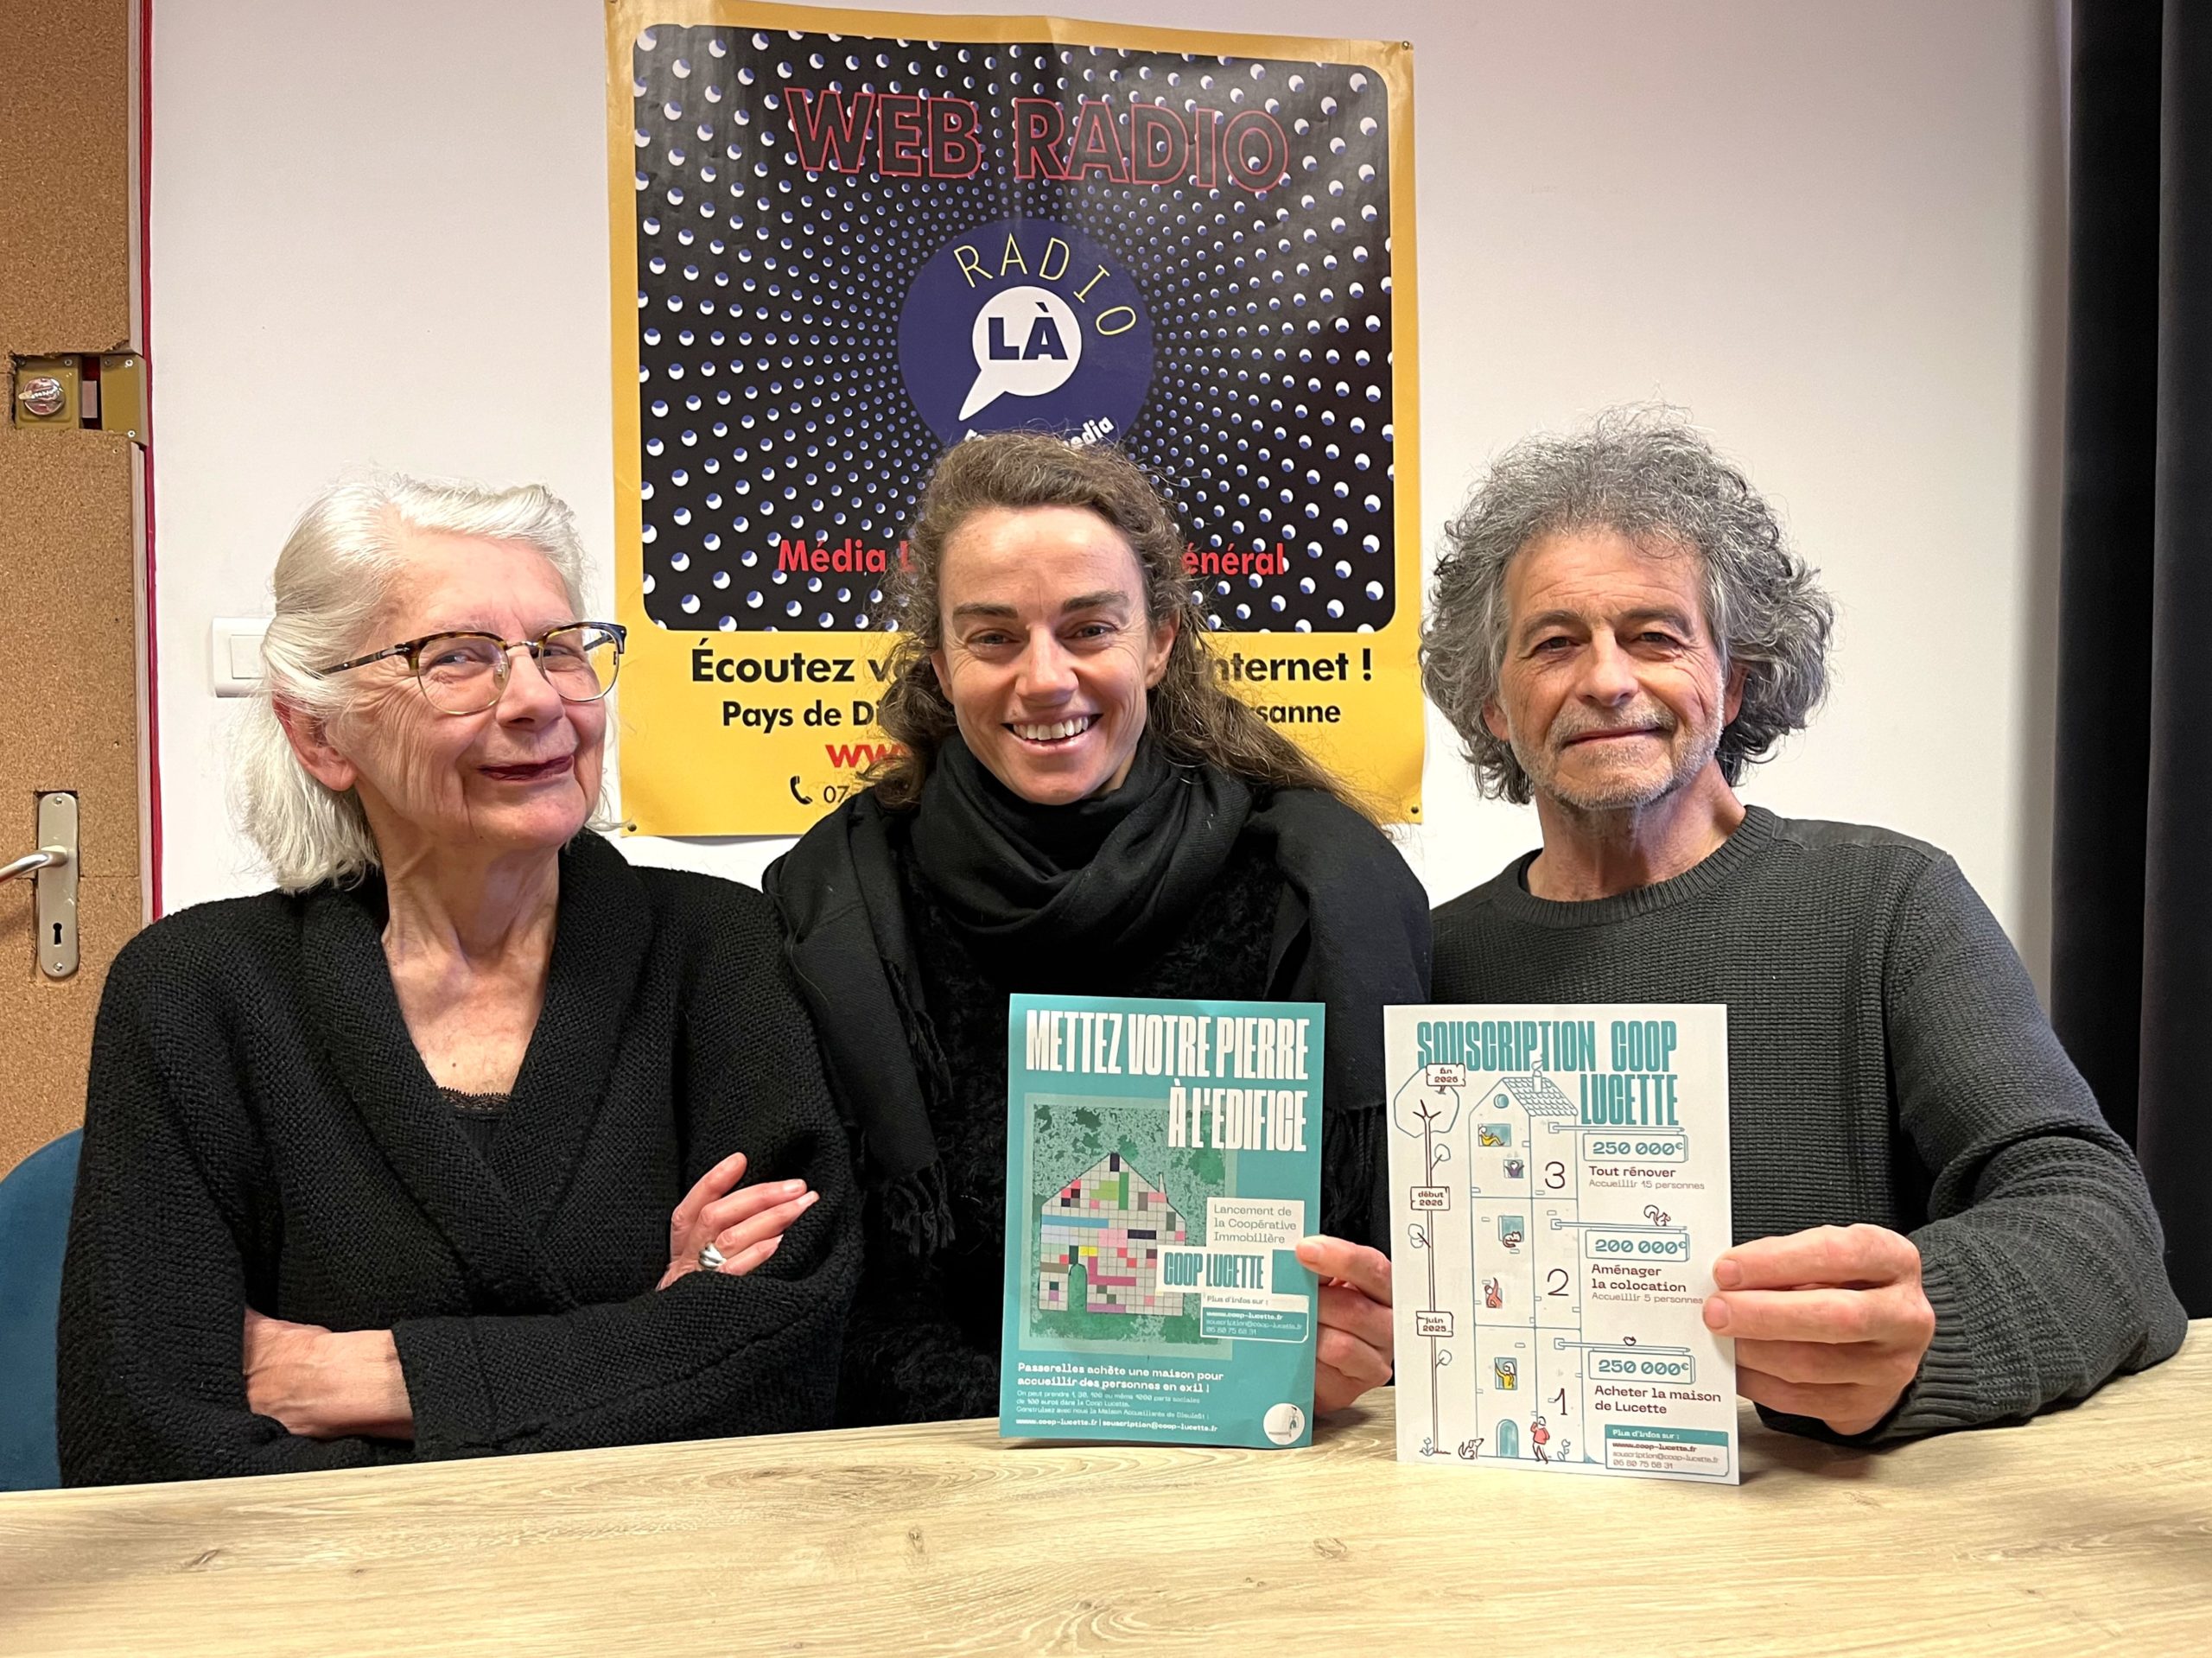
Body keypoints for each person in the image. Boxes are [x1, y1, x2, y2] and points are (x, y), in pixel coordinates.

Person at [58, 473, 859, 1484]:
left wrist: (374, 1380)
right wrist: (652, 1336)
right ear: (319, 732)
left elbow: (781, 1364)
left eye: (560, 649)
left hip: (669, 1575)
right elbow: (142, 1435)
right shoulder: (197, 994)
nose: (536, 700)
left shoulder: (722, 948)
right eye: (459, 660)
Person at [1421, 408, 2186, 1443]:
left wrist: (1926, 1328)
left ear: (1732, 681)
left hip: (1832, 1543)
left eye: (1655, 636)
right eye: (1555, 642)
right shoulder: (1431, 959)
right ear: (1493, 706)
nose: (1606, 678)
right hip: (1505, 1528)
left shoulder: (1887, 901)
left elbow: (2099, 1224)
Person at [766, 432, 1427, 1426]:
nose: (1043, 677)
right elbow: (831, 1298)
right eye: (993, 636)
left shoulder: (1313, 888)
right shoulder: (834, 906)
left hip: (1259, 1469)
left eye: (1088, 629)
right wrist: (1080, 1403)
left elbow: (1396, 1274)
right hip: (938, 1467)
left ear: (1157, 640)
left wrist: (1357, 1340)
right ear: (941, 664)